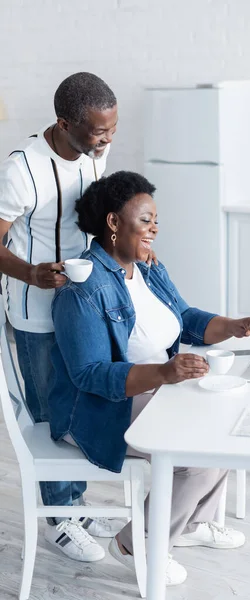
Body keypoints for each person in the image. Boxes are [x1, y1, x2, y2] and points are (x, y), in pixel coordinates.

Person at [48, 170, 250, 584]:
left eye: (156, 220)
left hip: (156, 387)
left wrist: (231, 325)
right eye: (145, 219)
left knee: (225, 425)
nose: (155, 228)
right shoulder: (81, 289)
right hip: (101, 408)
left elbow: (185, 317)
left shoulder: (148, 268)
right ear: (113, 223)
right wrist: (164, 371)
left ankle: (189, 525)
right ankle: (136, 543)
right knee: (197, 450)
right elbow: (89, 375)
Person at [0, 72, 126, 562]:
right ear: (64, 122)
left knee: (83, 405)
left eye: (112, 129)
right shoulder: (21, 168)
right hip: (36, 309)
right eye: (98, 132)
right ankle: (58, 518)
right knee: (51, 412)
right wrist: (30, 273)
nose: (107, 139)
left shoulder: (97, 149)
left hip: (86, 303)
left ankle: (73, 501)